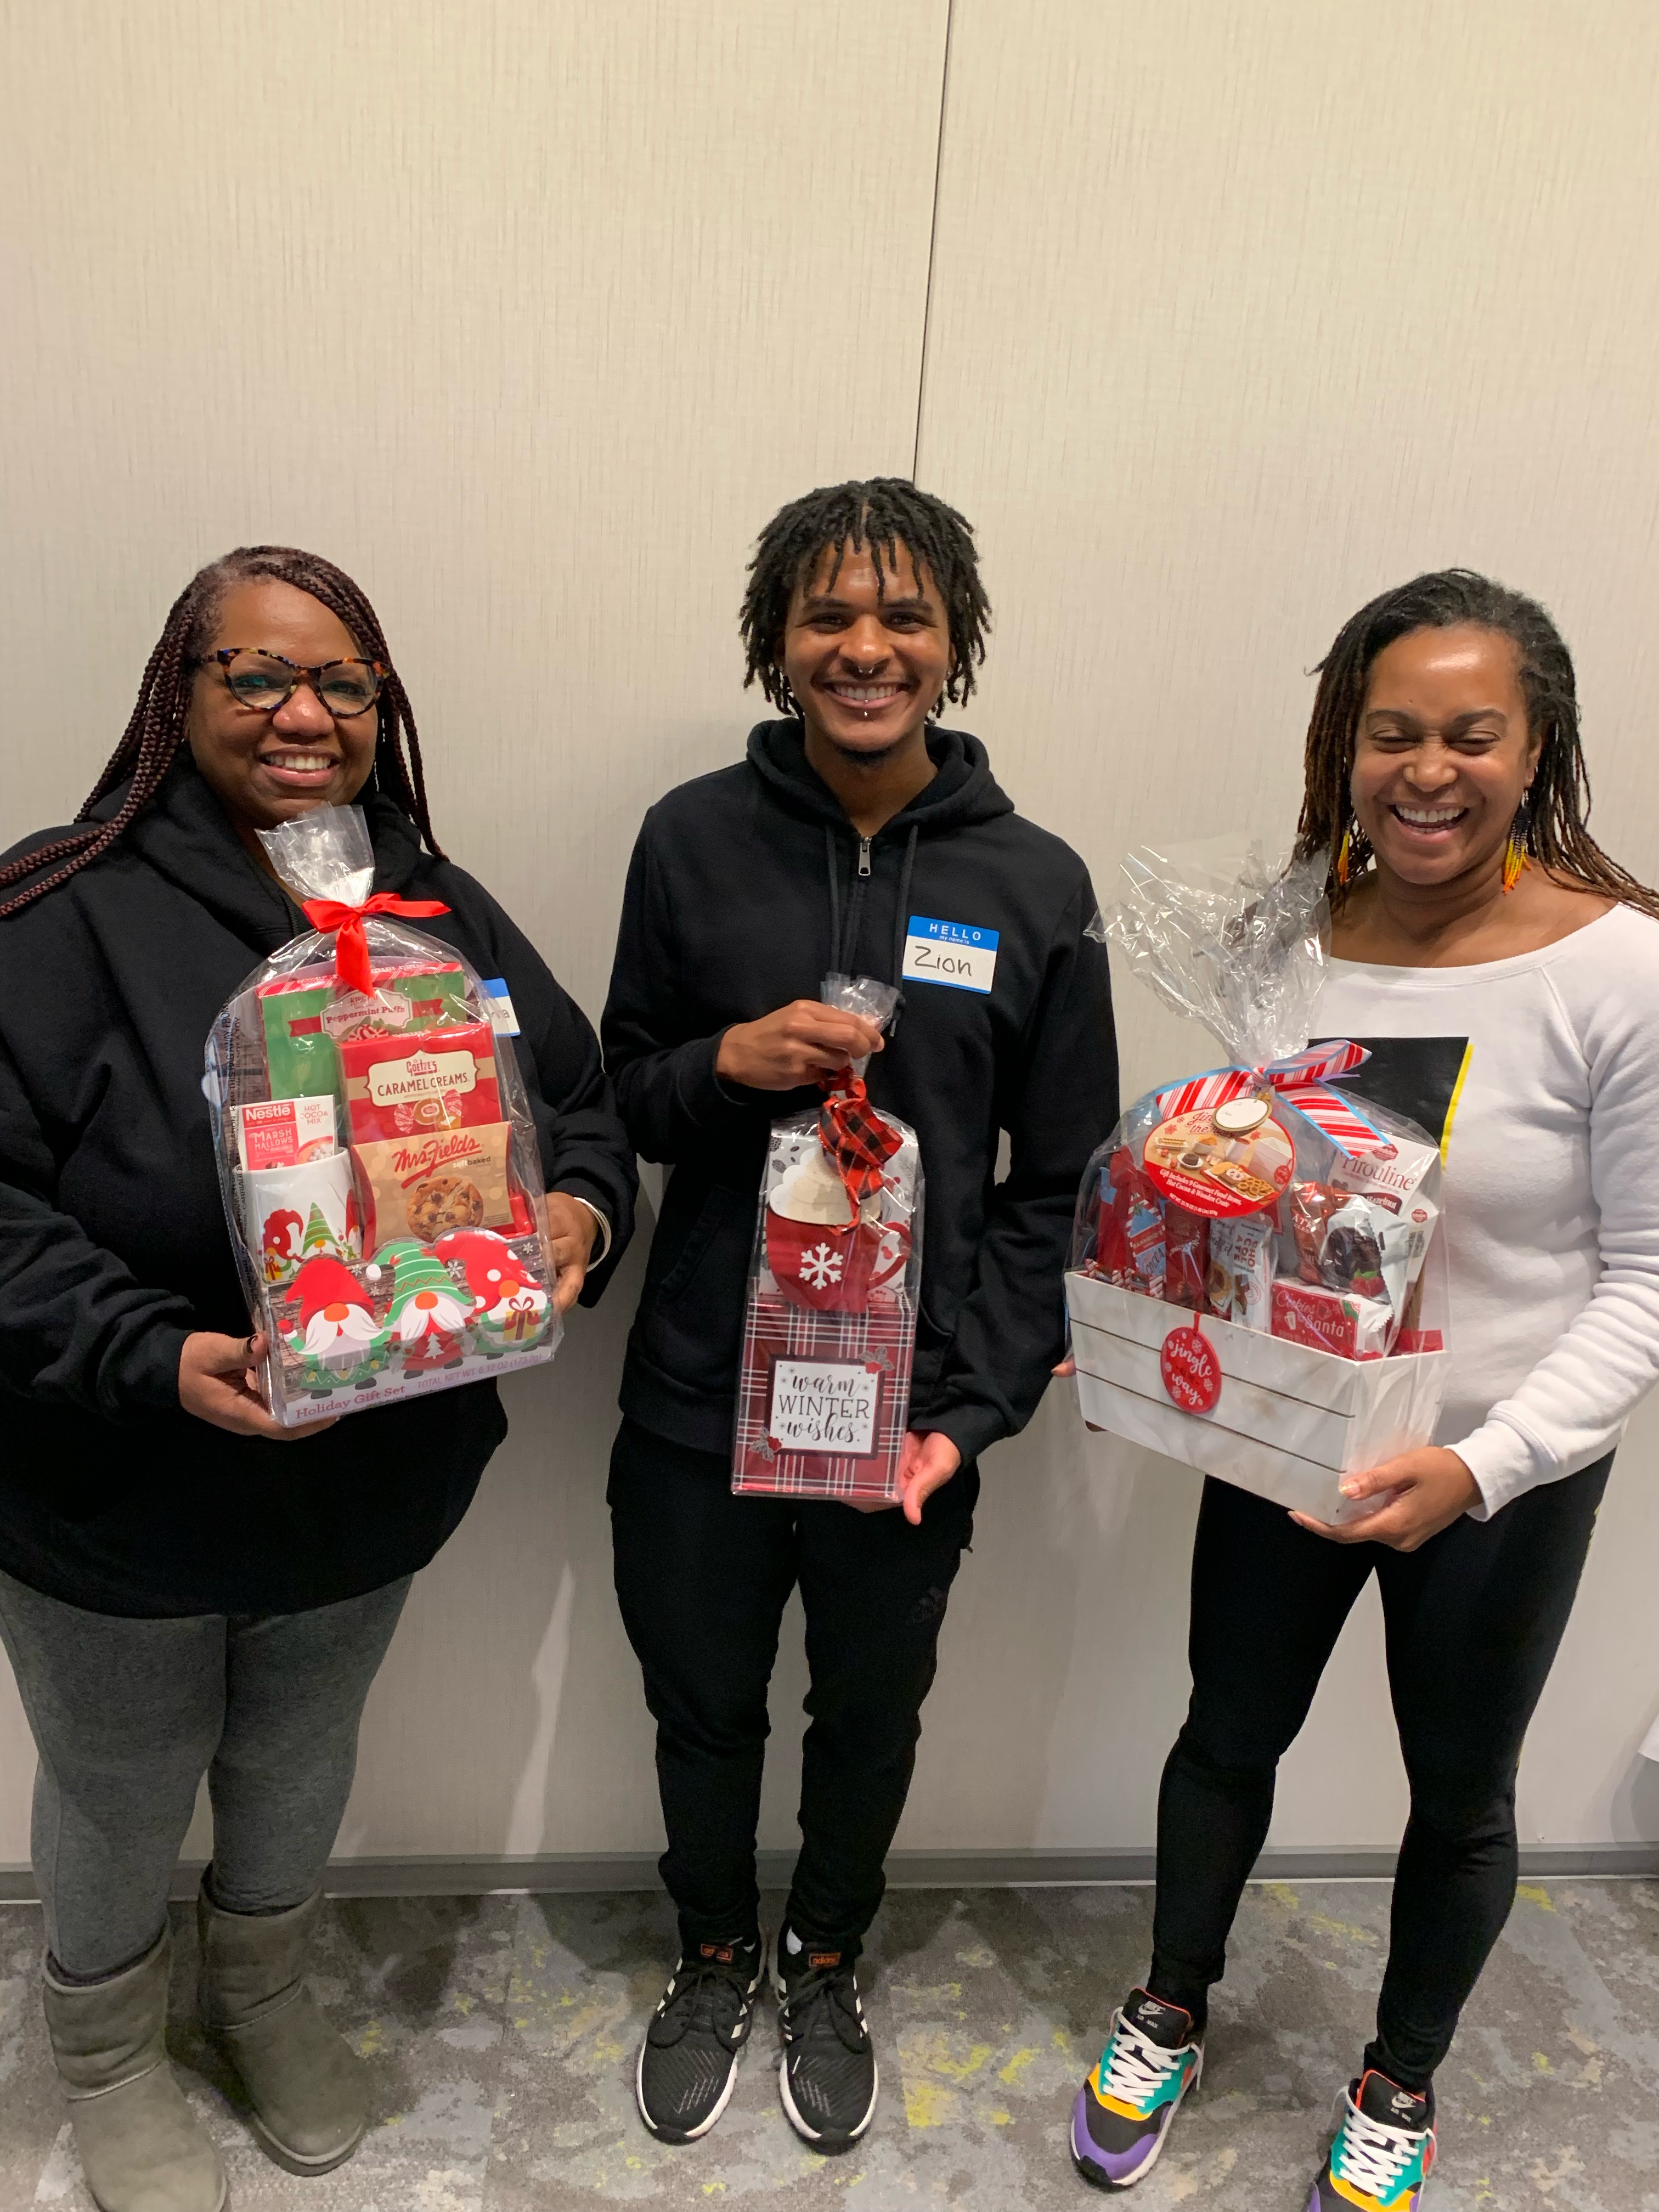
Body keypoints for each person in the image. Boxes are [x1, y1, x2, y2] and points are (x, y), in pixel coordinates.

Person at [0, 546, 636, 2212]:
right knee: (122, 1782)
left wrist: (575, 1210)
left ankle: (262, 1992)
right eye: (255, 674)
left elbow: (577, 1102)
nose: (305, 712)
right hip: (112, 1485)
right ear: (175, 693)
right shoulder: (55, 907)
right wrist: (149, 1351)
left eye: (343, 682)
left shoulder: (430, 908)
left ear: (383, 709)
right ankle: (105, 2048)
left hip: (367, 1470)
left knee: (297, 1755)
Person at [1070, 571, 1659, 2209]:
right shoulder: (1285, 936)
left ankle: (1402, 2078)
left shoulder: (1625, 973)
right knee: (1224, 1737)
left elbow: (1653, 1279)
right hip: (1288, 1429)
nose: (1428, 769)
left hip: (1500, 1473)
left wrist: (1489, 1464)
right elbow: (1256, 1185)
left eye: (1472, 735)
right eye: (1390, 732)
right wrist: (1149, 1304)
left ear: (1537, 751)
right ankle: (1170, 2001)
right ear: (1342, 750)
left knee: (1461, 1791)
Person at [602, 477, 1119, 2153]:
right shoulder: (691, 838)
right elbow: (610, 1100)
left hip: (907, 1420)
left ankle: (825, 1958)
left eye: (903, 614)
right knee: (703, 1704)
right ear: (777, 641)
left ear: (954, 640)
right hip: (701, 1394)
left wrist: (970, 1416)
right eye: (828, 614)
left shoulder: (1035, 882)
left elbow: (1062, 1189)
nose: (866, 646)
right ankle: (710, 1953)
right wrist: (721, 1066)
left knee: (871, 1714)